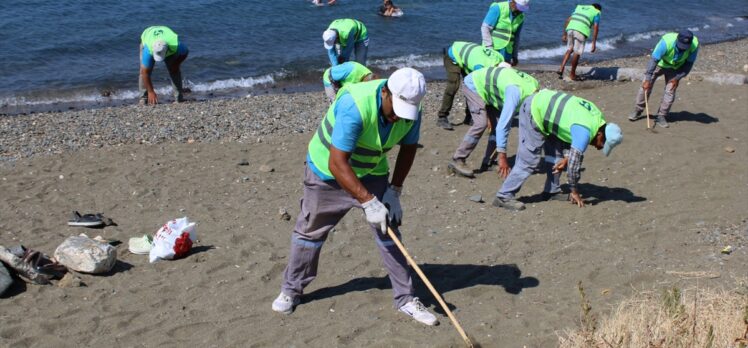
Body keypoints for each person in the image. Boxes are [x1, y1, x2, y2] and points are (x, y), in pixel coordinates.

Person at [271, 68, 439, 326]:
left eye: (404, 113)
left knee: (389, 230)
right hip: (327, 172)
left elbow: (408, 149)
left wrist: (395, 190)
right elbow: (337, 163)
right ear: (385, 92)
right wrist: (369, 201)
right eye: (395, 110)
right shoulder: (355, 105)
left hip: (371, 169)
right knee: (310, 232)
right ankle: (291, 290)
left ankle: (405, 298)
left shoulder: (411, 111)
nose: (397, 118)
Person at [493, 89, 623, 211]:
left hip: (549, 113)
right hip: (534, 110)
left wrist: (567, 157)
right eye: (602, 144)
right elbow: (574, 167)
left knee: (557, 156)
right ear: (600, 134)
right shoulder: (585, 131)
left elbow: (569, 134)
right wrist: (574, 191)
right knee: (529, 159)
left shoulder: (597, 118)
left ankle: (551, 191)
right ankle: (504, 195)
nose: (599, 147)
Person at [448, 64, 538, 178]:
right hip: (474, 85)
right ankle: (458, 159)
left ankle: (488, 162)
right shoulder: (515, 93)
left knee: (496, 125)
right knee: (481, 123)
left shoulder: (534, 86)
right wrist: (503, 157)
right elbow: (503, 126)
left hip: (492, 91)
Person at [629, 30, 699, 128]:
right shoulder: (666, 42)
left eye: (685, 47)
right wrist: (648, 79)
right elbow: (654, 60)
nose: (682, 49)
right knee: (644, 88)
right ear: (677, 39)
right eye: (680, 46)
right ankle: (638, 110)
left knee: (670, 91)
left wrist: (677, 78)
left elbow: (688, 65)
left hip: (676, 68)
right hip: (660, 64)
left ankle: (661, 116)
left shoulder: (694, 45)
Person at [437, 41, 506, 130]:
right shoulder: (480, 66)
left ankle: (469, 117)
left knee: (471, 87)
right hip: (453, 55)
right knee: (454, 85)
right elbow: (482, 88)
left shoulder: (500, 58)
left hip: (469, 57)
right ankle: (442, 117)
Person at [139, 26, 189, 105]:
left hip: (167, 42)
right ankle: (143, 98)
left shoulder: (175, 46)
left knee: (174, 70)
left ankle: (179, 98)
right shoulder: (148, 49)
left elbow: (185, 52)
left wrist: (177, 63)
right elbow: (145, 73)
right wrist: (150, 91)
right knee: (144, 71)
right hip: (149, 34)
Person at [557, 4, 602, 81]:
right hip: (581, 30)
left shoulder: (579, 8)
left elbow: (568, 19)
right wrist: (594, 43)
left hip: (570, 28)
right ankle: (572, 74)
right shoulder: (597, 12)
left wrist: (564, 34)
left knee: (569, 49)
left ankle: (561, 68)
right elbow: (596, 27)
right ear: (598, 9)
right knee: (577, 52)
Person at [481, 0, 529, 66]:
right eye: (519, 7)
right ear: (513, 2)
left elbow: (516, 37)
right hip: (494, 49)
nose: (520, 10)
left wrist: (515, 55)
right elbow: (485, 28)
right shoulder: (498, 8)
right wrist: (489, 47)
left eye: (522, 8)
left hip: (507, 52)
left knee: (503, 72)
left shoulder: (521, 16)